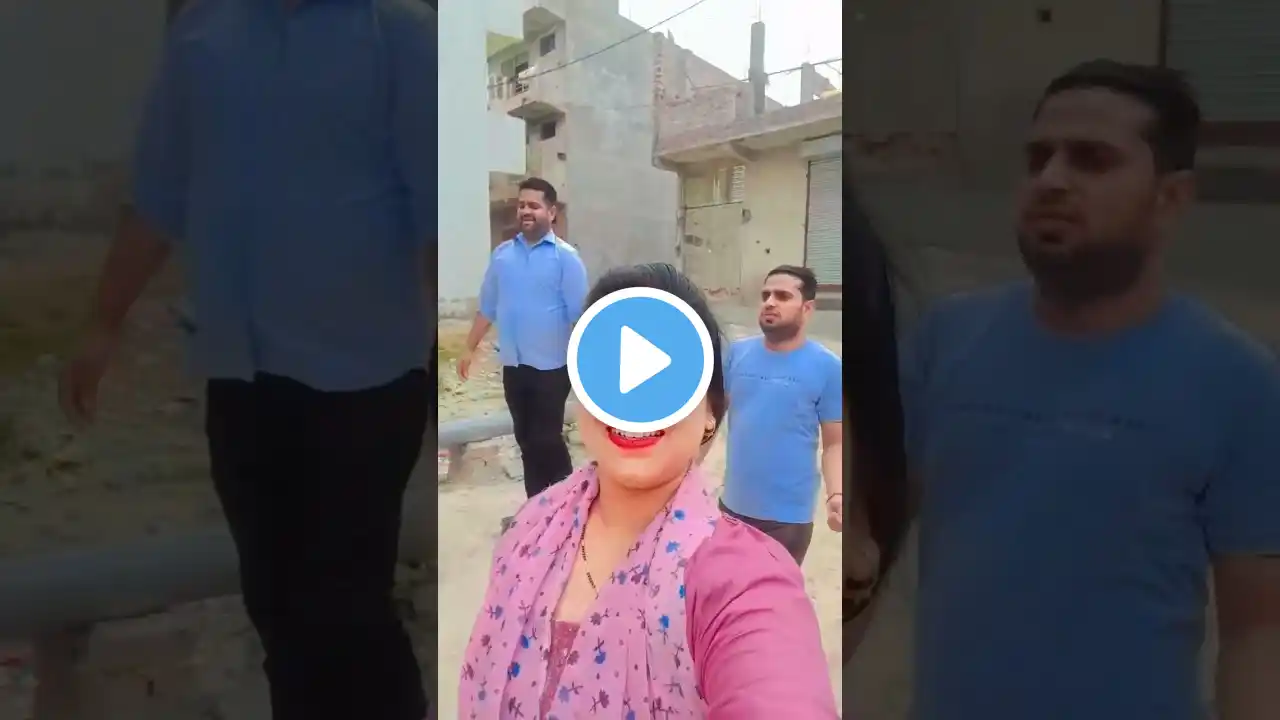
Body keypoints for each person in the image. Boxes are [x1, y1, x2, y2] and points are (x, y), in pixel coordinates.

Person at [56, 2, 437, 719]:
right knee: (275, 607)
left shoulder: (398, 38)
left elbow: (436, 219)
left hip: (364, 382)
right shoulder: (203, 35)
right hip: (241, 379)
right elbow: (158, 196)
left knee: (348, 610)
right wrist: (103, 323)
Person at [901, 60, 1280, 719]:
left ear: (1171, 199)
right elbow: (867, 545)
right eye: (1038, 158)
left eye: (1092, 160)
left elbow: (1259, 631)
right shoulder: (945, 340)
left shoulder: (1237, 381)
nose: (1051, 180)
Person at [458, 263, 839, 719]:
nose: (636, 400)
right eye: (605, 369)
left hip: (788, 512)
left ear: (711, 410)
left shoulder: (744, 584)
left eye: (670, 378)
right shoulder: (529, 529)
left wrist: (835, 494)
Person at [458, 177, 588, 501]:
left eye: (534, 205)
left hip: (552, 368)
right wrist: (468, 348)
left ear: (551, 212)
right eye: (521, 205)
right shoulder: (502, 256)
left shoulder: (566, 259)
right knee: (526, 441)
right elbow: (488, 307)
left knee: (547, 440)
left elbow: (581, 317)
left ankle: (565, 508)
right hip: (514, 366)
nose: (526, 211)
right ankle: (536, 509)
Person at [720, 265, 843, 566]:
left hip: (787, 520)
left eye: (783, 296)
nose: (770, 302)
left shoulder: (828, 367)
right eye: (766, 295)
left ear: (807, 308)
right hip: (731, 509)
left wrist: (836, 494)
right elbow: (710, 420)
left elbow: (835, 443)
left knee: (770, 594)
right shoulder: (737, 354)